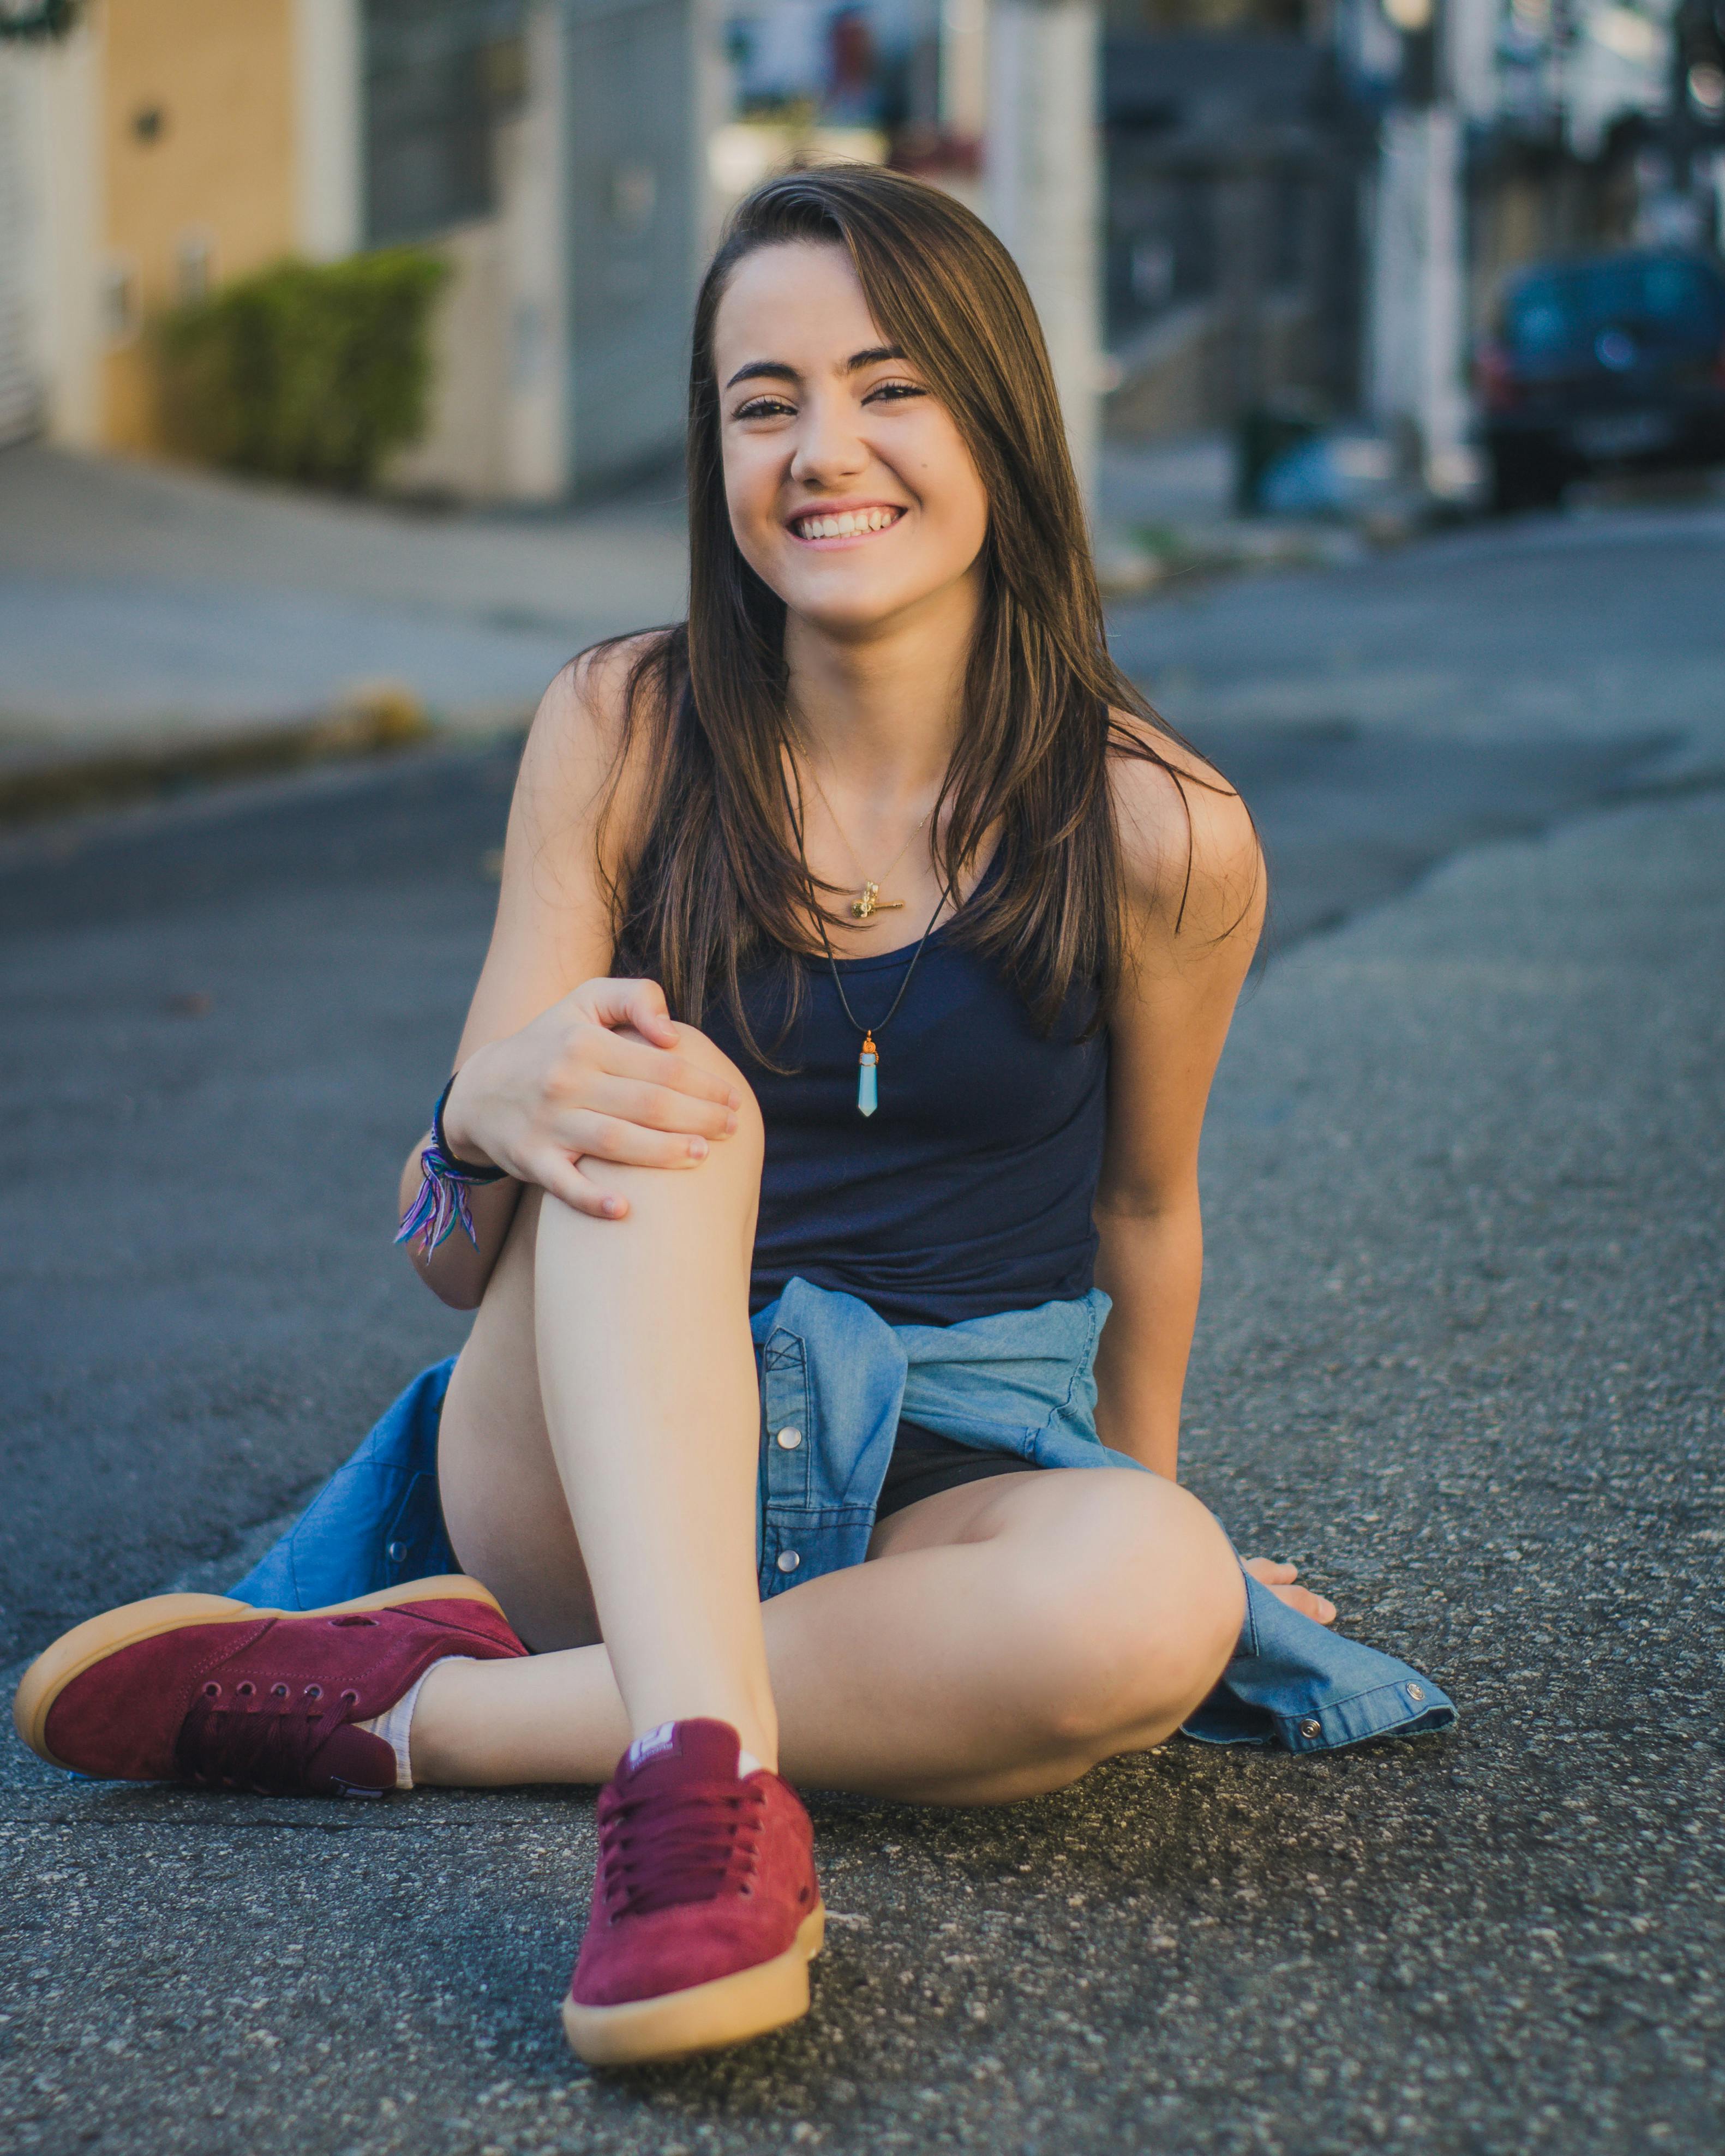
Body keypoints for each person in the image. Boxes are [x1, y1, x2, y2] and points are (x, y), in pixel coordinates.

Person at [13, 166, 1440, 2073]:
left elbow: (1143, 1216)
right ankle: (693, 1802)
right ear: (716, 451)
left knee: (1155, 1598)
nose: (820, 450)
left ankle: (416, 1710)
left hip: (938, 1474)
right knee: (659, 1095)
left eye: (886, 386)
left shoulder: (1156, 832)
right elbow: (453, 1267)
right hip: (580, 1475)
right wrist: (479, 1108)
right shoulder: (619, 728)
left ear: (1000, 421)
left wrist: (1150, 1497)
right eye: (761, 402)